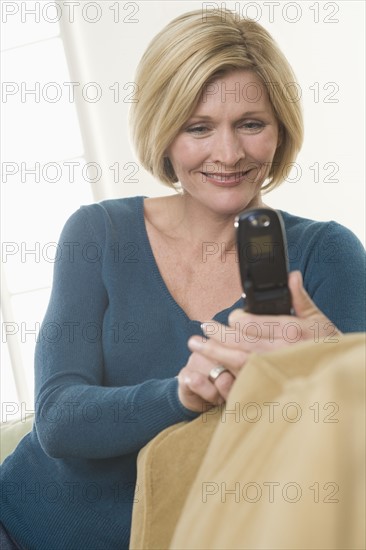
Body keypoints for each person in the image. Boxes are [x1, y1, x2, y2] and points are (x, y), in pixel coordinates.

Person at [1, 8, 365, 550]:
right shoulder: (98, 233)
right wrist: (182, 394)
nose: (229, 154)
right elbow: (57, 419)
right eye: (198, 128)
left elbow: (351, 456)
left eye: (251, 123)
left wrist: (334, 366)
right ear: (164, 133)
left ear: (280, 128)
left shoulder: (326, 256)